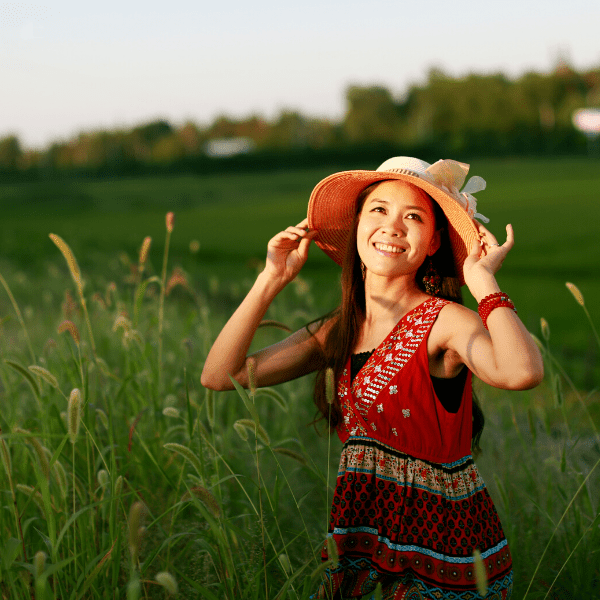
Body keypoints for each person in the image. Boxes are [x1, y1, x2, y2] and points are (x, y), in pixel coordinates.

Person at [201, 157, 544, 599]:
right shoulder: (339, 330)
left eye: (414, 216)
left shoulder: (446, 321)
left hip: (441, 545)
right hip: (361, 536)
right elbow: (220, 374)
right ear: (357, 223)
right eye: (378, 210)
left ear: (435, 240)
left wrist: (483, 283)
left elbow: (523, 372)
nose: (393, 227)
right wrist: (272, 279)